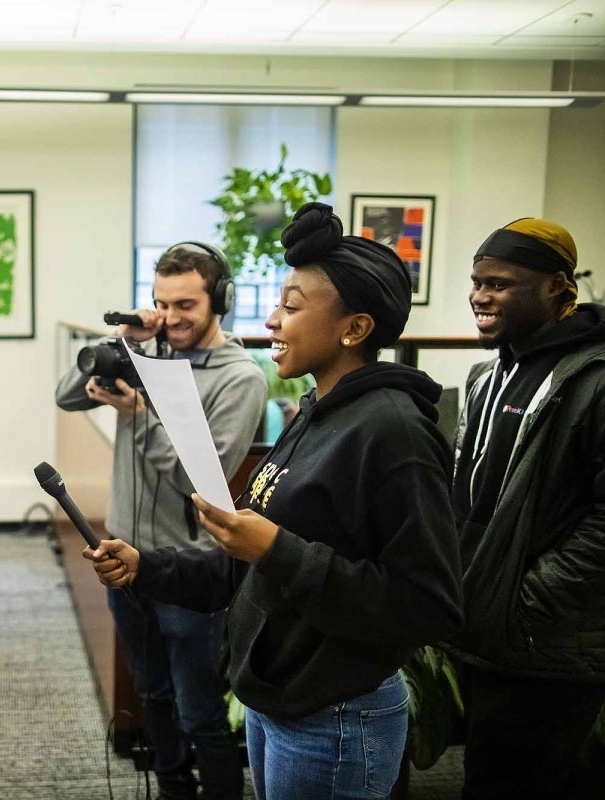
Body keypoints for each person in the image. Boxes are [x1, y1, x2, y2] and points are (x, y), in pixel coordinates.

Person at [85, 203, 463, 800]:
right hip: (279, 698)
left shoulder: (394, 433)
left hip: (335, 714)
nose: (271, 321)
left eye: (291, 307)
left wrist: (279, 550)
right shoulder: (314, 412)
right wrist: (148, 565)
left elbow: (427, 605)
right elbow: (255, 562)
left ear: (355, 328)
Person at [56, 241, 267, 799]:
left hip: (188, 568)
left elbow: (202, 478)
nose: (171, 317)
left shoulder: (239, 378)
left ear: (219, 300)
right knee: (152, 694)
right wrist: (126, 342)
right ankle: (173, 790)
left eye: (185, 305)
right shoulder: (150, 358)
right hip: (125, 560)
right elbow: (65, 395)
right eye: (161, 303)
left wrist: (140, 417)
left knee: (199, 709)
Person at [447, 218, 605, 800]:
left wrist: (524, 603)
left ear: (559, 289)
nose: (480, 295)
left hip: (549, 647)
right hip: (489, 636)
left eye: (501, 284)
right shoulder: (490, 375)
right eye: (477, 281)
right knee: (487, 777)